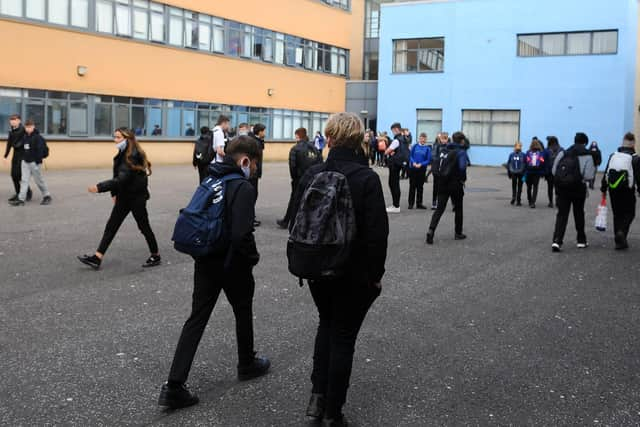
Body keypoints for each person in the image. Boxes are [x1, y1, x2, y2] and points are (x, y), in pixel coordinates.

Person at [288, 112, 388, 427]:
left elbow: (295, 219)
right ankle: (333, 412)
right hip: (353, 272)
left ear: (328, 139)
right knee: (343, 336)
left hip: (317, 268)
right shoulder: (366, 178)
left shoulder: (313, 173)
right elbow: (377, 234)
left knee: (326, 325)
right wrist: (374, 276)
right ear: (359, 140)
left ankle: (316, 403)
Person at [159, 136, 270, 410]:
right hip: (231, 263)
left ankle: (174, 385)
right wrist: (252, 259)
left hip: (205, 259)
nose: (254, 170)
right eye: (254, 164)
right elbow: (242, 233)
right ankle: (246, 363)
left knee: (196, 318)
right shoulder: (242, 187)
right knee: (242, 310)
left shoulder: (210, 179)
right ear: (245, 161)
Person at [77, 127, 160, 270]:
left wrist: (100, 187)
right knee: (111, 226)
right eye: (114, 137)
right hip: (124, 196)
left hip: (136, 198)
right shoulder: (122, 153)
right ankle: (97, 257)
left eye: (118, 138)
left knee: (144, 226)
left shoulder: (133, 155)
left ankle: (155, 254)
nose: (115, 140)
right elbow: (118, 177)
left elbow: (122, 178)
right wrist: (114, 194)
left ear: (127, 139)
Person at [551, 132, 596, 252]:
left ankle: (557, 241)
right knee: (579, 213)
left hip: (562, 189)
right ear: (585, 143)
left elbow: (554, 171)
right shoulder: (588, 156)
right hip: (578, 189)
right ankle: (581, 240)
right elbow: (589, 175)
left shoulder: (563, 153)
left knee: (562, 215)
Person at [426, 131, 469, 244]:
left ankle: (431, 230)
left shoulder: (443, 150)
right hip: (455, 184)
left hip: (442, 182)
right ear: (462, 141)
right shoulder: (461, 152)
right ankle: (458, 233)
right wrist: (462, 180)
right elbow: (462, 168)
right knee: (458, 208)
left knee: (440, 209)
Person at [600, 132, 640, 250]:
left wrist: (603, 189)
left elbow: (607, 172)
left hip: (613, 189)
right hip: (627, 190)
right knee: (629, 213)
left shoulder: (613, 155)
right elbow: (638, 176)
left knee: (617, 214)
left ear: (623, 142)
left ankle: (619, 241)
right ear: (633, 144)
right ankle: (621, 232)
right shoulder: (635, 158)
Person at [277, 128, 322, 229]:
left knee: (295, 200)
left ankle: (289, 222)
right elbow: (320, 163)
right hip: (313, 179)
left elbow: (292, 166)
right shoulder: (314, 149)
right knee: (309, 200)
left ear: (297, 136)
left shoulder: (295, 149)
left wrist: (295, 178)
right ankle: (305, 222)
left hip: (299, 179)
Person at [9, 119, 52, 206]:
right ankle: (21, 200)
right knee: (24, 180)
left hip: (35, 162)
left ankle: (47, 196)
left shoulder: (38, 138)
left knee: (38, 180)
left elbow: (40, 151)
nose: (28, 129)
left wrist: (37, 161)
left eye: (30, 127)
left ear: (33, 127)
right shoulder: (25, 137)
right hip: (25, 162)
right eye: (26, 127)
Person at [4, 114, 32, 202]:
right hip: (15, 156)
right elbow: (9, 144)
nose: (12, 121)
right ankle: (19, 193)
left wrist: (20, 144)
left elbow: (29, 138)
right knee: (13, 175)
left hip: (23, 156)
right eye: (11, 120)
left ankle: (27, 192)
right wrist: (5, 156)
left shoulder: (23, 130)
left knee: (19, 175)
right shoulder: (11, 131)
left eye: (14, 119)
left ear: (19, 121)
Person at [384, 123, 409, 213]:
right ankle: (395, 205)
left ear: (396, 129)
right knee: (395, 183)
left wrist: (388, 152)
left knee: (393, 184)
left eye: (393, 130)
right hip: (400, 163)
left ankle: (396, 205)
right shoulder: (404, 139)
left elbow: (387, 151)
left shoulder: (396, 140)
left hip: (394, 164)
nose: (393, 132)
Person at [249, 123, 266, 227]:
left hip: (255, 171)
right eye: (263, 131)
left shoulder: (258, 141)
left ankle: (251, 216)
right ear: (259, 131)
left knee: (254, 194)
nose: (264, 133)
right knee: (252, 195)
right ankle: (250, 218)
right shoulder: (254, 142)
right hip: (252, 172)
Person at [408, 132, 431, 210]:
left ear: (426, 139)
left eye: (424, 139)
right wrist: (413, 162)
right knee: (412, 186)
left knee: (420, 187)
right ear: (419, 138)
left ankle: (419, 203)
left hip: (422, 169)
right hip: (413, 169)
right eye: (421, 138)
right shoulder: (415, 146)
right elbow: (410, 156)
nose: (422, 140)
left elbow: (428, 160)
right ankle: (411, 203)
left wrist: (421, 164)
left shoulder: (427, 148)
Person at [525, 138, 547, 208]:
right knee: (535, 186)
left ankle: (529, 199)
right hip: (537, 172)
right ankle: (533, 202)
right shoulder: (540, 153)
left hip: (529, 171)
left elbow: (526, 162)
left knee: (529, 187)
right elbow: (543, 162)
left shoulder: (528, 152)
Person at [429, 132, 449, 210]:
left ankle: (442, 202)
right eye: (442, 139)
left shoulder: (449, 147)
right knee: (436, 186)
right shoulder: (436, 146)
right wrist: (440, 157)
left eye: (445, 139)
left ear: (447, 139)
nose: (444, 140)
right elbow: (433, 156)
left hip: (445, 170)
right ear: (440, 139)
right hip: (437, 169)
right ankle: (434, 202)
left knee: (445, 187)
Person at [545, 136, 562, 208]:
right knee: (558, 187)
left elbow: (544, 161)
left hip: (549, 172)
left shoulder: (547, 150)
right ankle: (558, 201)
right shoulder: (561, 150)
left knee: (550, 187)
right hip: (559, 172)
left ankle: (551, 202)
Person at [506, 142, 526, 206]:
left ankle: (513, 197)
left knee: (514, 186)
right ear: (521, 147)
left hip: (513, 173)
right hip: (521, 173)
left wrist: (509, 173)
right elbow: (526, 165)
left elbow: (508, 164)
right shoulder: (523, 154)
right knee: (520, 186)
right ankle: (518, 200)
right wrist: (525, 175)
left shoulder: (511, 154)